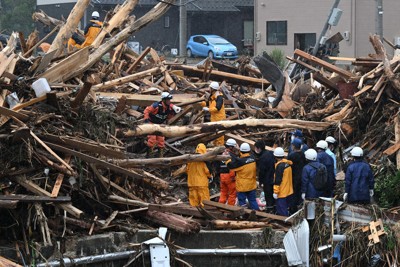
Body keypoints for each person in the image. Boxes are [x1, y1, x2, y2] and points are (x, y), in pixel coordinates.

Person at [143, 92, 181, 157]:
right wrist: (146, 120)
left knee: (161, 140)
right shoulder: (156, 106)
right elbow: (146, 111)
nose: (169, 101)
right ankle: (149, 155)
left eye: (169, 100)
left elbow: (168, 117)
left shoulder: (169, 108)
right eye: (168, 100)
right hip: (152, 123)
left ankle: (160, 156)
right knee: (152, 139)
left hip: (160, 124)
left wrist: (173, 113)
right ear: (163, 100)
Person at [227, 143, 259, 210]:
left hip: (242, 186)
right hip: (252, 184)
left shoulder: (240, 162)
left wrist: (227, 159)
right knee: (253, 200)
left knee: (242, 202)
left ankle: (244, 214)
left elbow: (230, 166)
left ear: (240, 151)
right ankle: (257, 214)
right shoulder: (253, 158)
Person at [201, 81, 226, 146]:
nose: (209, 89)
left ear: (213, 89)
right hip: (214, 118)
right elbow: (208, 103)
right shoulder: (212, 96)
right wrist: (201, 103)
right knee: (214, 132)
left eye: (210, 88)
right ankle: (215, 145)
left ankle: (220, 146)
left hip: (219, 118)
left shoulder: (219, 97)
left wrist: (208, 109)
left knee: (219, 134)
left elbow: (217, 108)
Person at [254, 140, 275, 212]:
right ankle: (273, 208)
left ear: (259, 148)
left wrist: (260, 181)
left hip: (267, 179)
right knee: (273, 195)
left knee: (268, 195)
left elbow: (262, 171)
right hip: (274, 178)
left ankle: (269, 209)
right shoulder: (271, 153)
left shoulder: (262, 158)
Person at [287, 138, 306, 213]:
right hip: (301, 177)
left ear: (294, 146)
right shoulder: (303, 154)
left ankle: (293, 210)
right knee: (299, 194)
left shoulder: (292, 156)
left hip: (294, 178)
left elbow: (289, 167)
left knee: (293, 195)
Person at [273, 147, 293, 216]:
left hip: (282, 192)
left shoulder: (279, 166)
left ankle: (284, 224)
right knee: (286, 208)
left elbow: (278, 180)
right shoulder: (288, 164)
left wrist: (276, 192)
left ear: (275, 156)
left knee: (282, 210)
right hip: (289, 190)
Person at [218, 138, 238, 206]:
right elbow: (235, 165)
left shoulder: (222, 153)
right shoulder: (232, 155)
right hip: (230, 176)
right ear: (231, 147)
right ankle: (230, 209)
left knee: (223, 192)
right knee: (232, 193)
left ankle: (221, 207)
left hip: (222, 175)